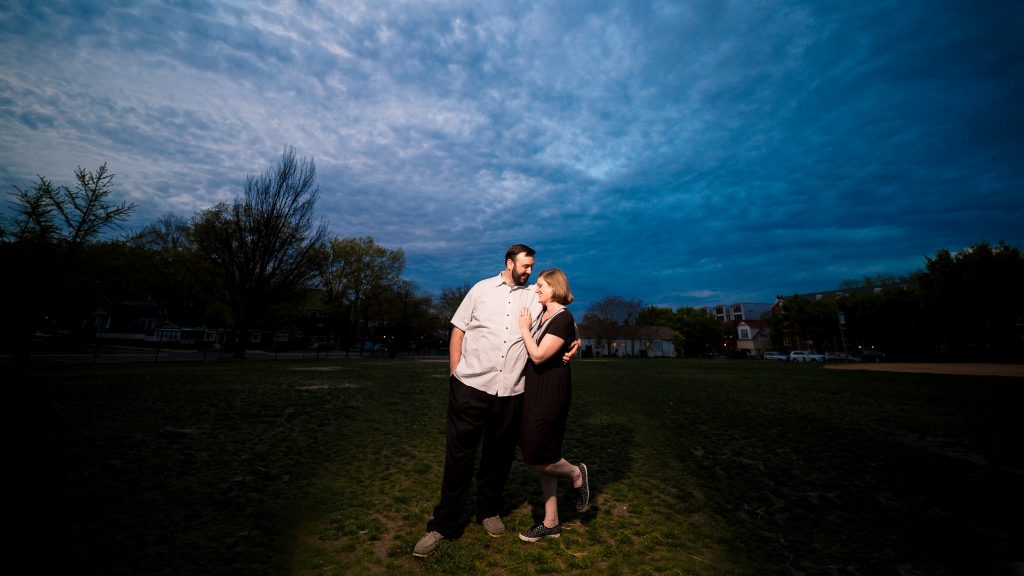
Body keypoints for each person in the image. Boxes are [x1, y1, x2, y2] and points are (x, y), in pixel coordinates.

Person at [413, 245, 578, 558]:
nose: (530, 272)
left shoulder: (534, 295)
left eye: (532, 267)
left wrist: (576, 339)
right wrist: (455, 372)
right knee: (459, 459)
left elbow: (561, 315)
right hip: (471, 388)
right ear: (509, 263)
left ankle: (488, 511)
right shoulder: (481, 289)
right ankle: (443, 525)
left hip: (512, 393)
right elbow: (458, 330)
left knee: (498, 458)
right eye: (526, 266)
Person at [515, 268, 590, 542]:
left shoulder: (562, 316)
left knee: (536, 457)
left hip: (551, 392)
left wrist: (523, 328)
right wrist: (575, 341)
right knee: (544, 455)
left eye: (541, 286)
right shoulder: (544, 314)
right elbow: (571, 332)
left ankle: (574, 472)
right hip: (534, 390)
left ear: (554, 288)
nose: (536, 289)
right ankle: (551, 522)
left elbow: (536, 355)